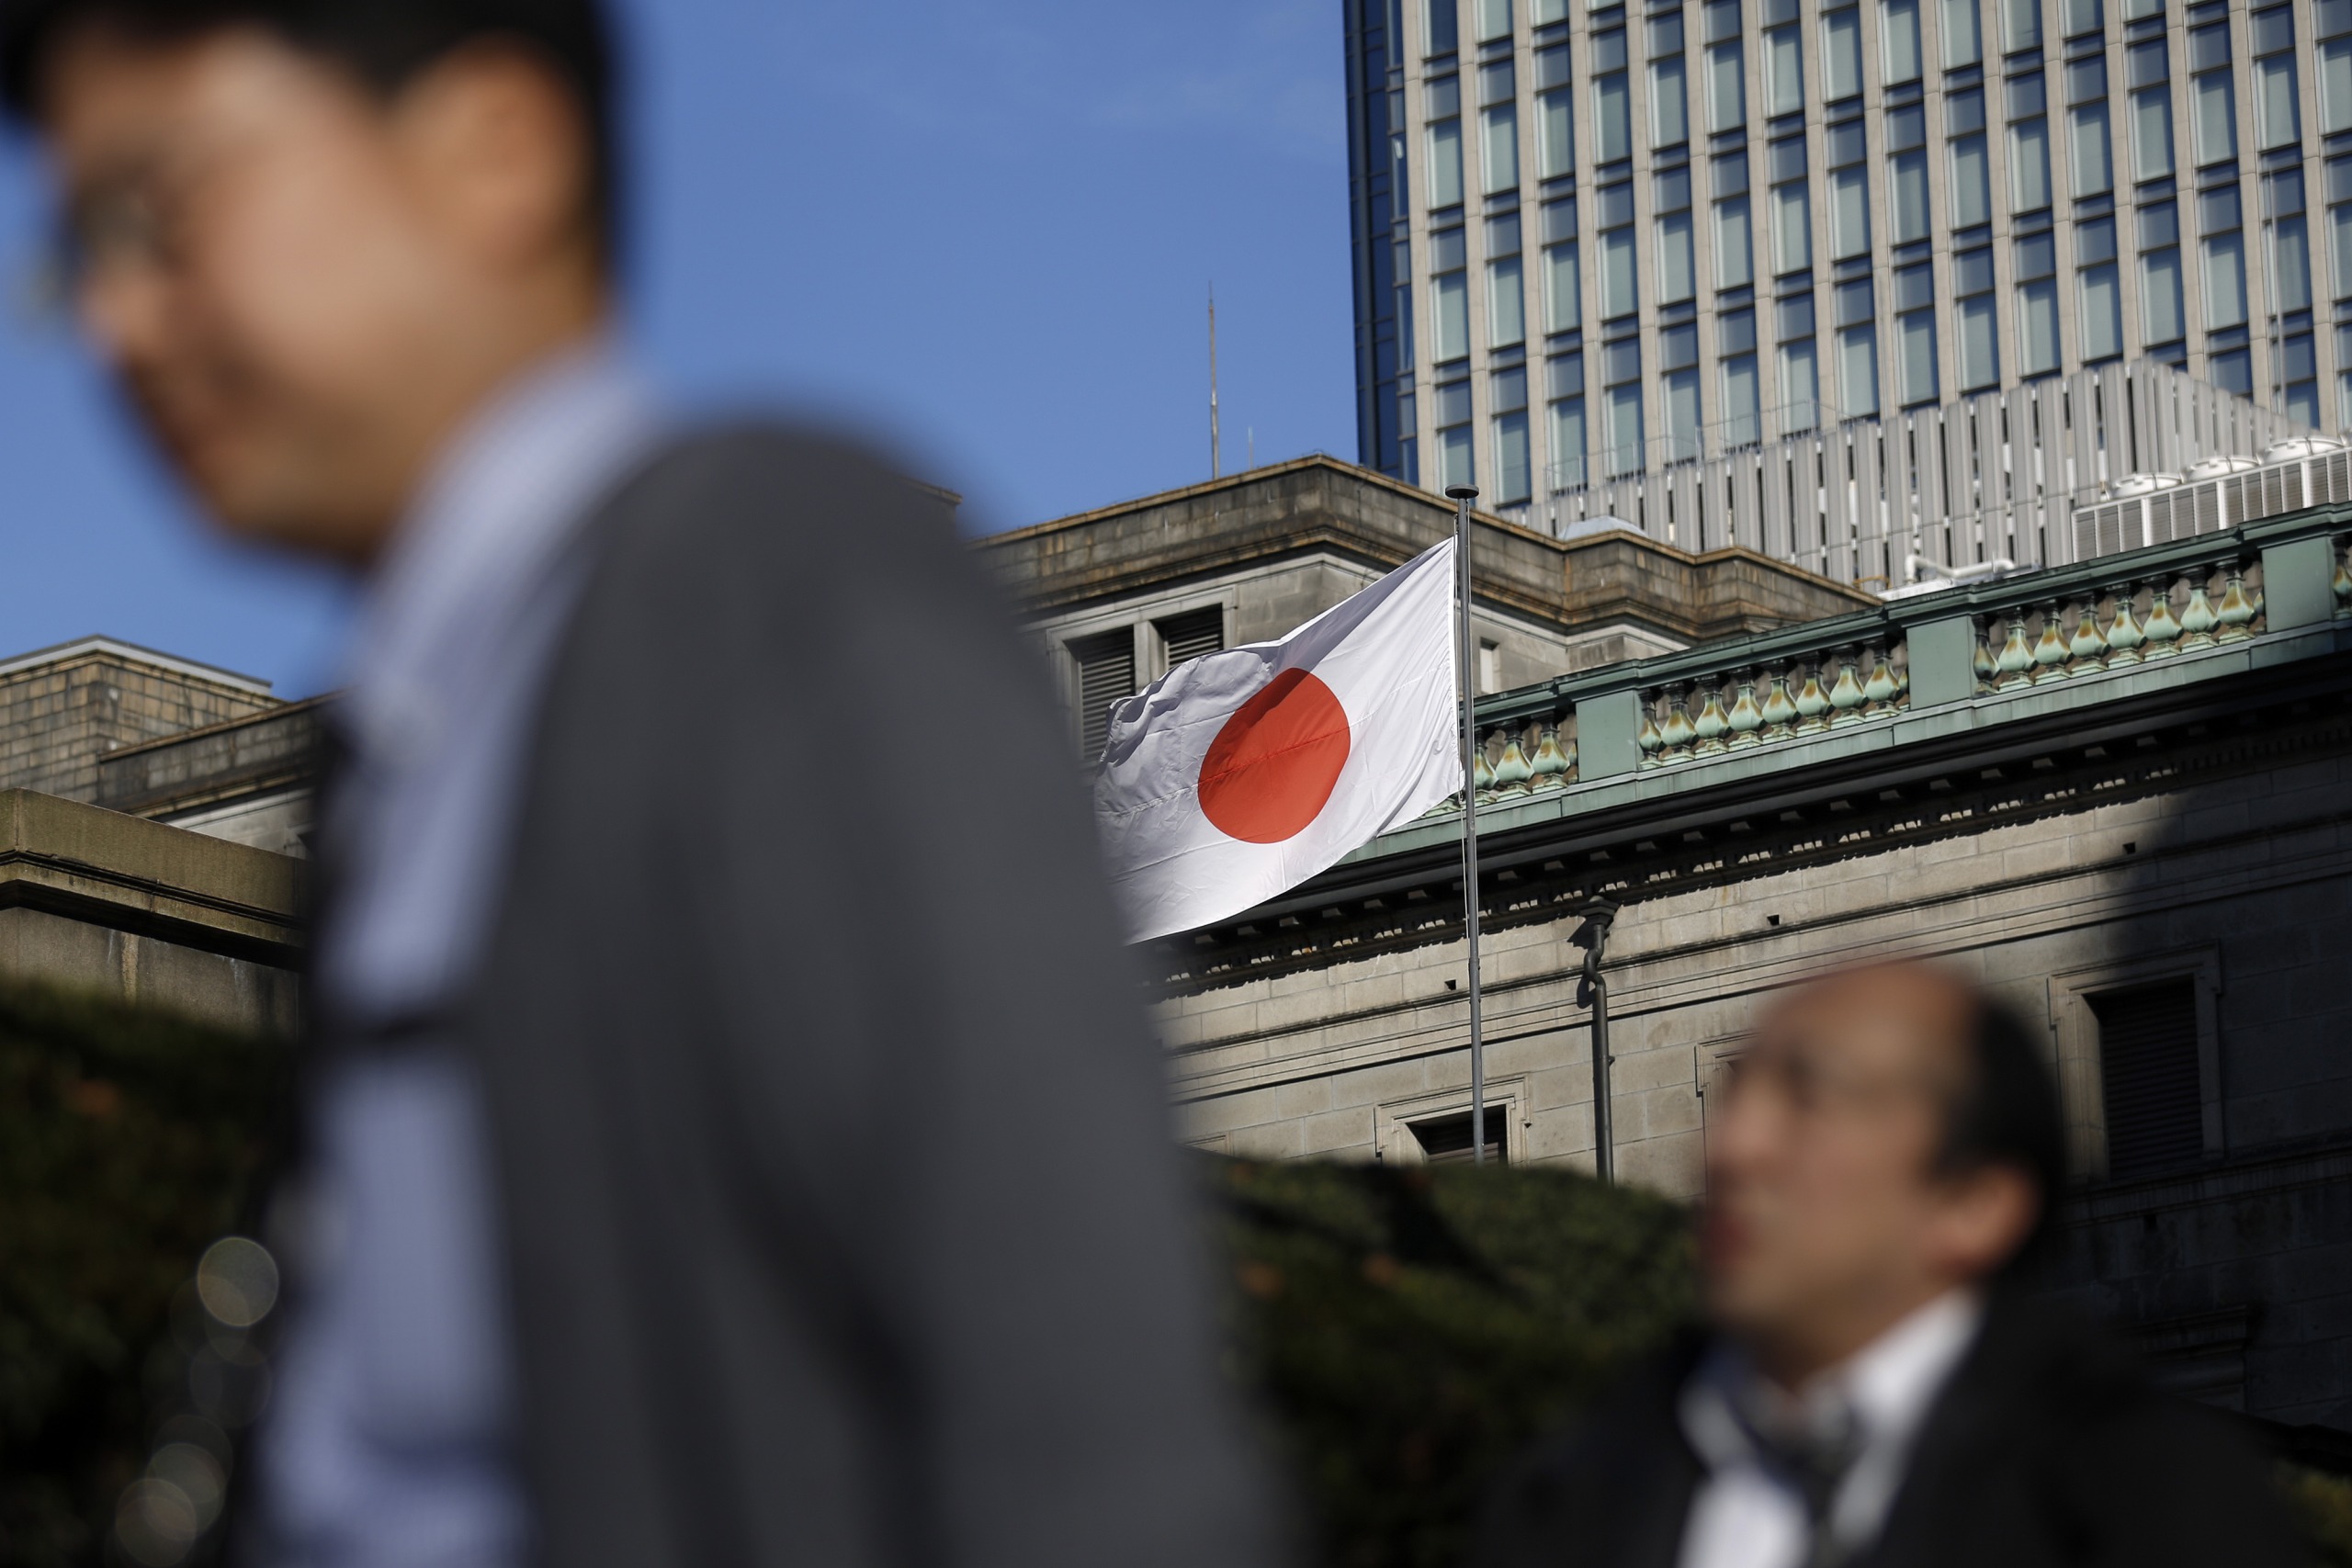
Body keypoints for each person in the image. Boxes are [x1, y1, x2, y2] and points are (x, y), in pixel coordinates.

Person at [0, 4, 1281, 1566]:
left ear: (498, 148)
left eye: (162, 207)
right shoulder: (413, 742)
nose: (119, 319)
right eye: (82, 250)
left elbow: (1087, 1439)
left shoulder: (786, 593)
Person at [1474, 961, 2304, 1568]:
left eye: (1810, 1096)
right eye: (1733, 1097)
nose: (1730, 1148)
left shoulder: (2148, 1499)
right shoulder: (1575, 1483)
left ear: (1975, 1202)